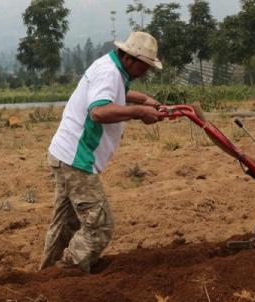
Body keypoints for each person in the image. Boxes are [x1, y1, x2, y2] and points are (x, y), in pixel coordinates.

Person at [39, 31, 163, 273]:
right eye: (144, 66)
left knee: (66, 224)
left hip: (64, 153)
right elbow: (99, 111)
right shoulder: (109, 71)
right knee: (99, 226)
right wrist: (139, 112)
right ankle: (66, 275)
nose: (145, 72)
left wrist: (144, 100)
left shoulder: (111, 68)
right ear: (128, 58)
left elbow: (114, 93)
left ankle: (46, 278)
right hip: (76, 158)